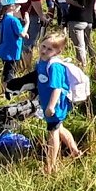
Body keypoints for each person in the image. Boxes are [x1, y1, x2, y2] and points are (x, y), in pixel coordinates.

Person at [36, 33, 82, 173]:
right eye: (43, 46)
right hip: (47, 102)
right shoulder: (41, 61)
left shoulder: (55, 66)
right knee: (59, 128)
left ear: (58, 52)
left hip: (55, 105)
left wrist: (51, 106)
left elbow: (57, 88)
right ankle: (75, 151)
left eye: (50, 49)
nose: (44, 50)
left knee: (53, 132)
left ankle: (51, 165)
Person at [63, 0, 96, 67]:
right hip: (89, 19)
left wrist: (69, 0)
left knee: (79, 47)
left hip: (77, 19)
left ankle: (82, 66)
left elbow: (81, 4)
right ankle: (95, 63)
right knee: (88, 44)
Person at [0, 0, 29, 95]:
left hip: (4, 50)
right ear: (12, 6)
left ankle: (5, 89)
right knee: (10, 73)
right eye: (18, 4)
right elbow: (22, 34)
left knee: (6, 72)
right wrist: (27, 23)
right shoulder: (14, 20)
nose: (20, 6)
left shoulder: (4, 18)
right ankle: (8, 92)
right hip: (12, 52)